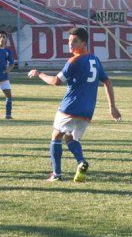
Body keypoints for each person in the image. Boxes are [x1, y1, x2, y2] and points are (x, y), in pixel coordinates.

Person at [28, 27, 120, 182]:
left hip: (70, 107)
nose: (70, 45)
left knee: (56, 136)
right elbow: (107, 81)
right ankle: (81, 162)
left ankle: (56, 175)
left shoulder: (74, 61)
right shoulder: (95, 60)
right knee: (71, 138)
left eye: (74, 41)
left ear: (84, 43)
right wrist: (112, 107)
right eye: (69, 41)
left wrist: (39, 74)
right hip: (88, 110)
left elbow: (56, 81)